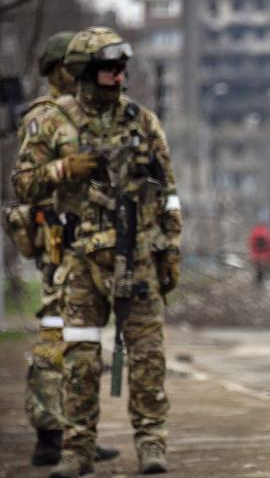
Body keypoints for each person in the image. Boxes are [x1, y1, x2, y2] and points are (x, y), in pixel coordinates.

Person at [12, 27, 182, 477]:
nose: (118, 74)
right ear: (86, 71)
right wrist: (65, 168)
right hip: (83, 260)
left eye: (122, 67)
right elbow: (22, 183)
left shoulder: (142, 121)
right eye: (109, 67)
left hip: (138, 256)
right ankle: (77, 448)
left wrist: (171, 250)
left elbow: (168, 192)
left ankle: (151, 444)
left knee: (147, 356)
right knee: (81, 358)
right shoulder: (54, 122)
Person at [4, 31, 118, 467]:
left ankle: (78, 434)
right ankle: (48, 434)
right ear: (58, 70)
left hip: (91, 245)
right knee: (55, 338)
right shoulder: (44, 117)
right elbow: (24, 182)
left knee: (85, 343)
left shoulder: (88, 115)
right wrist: (65, 166)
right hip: (58, 243)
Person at [248, 221, 270, 286]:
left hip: (256, 255)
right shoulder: (267, 232)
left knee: (257, 270)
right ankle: (261, 283)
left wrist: (253, 255)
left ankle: (257, 284)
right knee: (263, 271)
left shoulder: (254, 232)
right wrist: (268, 256)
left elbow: (251, 244)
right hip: (264, 255)